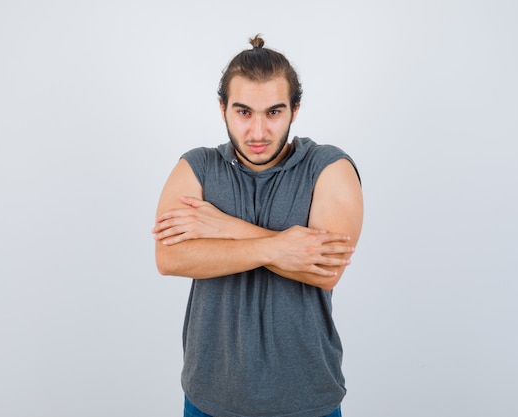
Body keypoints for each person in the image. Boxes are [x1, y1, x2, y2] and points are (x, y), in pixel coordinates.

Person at [153, 34, 363, 417]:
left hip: (307, 398)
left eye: (274, 112)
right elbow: (169, 259)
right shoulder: (196, 167)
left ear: (295, 110)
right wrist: (279, 247)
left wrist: (224, 227)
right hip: (210, 397)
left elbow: (326, 270)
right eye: (244, 112)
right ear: (223, 108)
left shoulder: (329, 167)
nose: (258, 132)